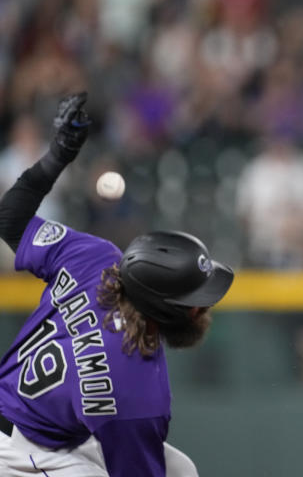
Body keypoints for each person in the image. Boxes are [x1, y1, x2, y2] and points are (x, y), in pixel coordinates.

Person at [0, 93, 235, 476]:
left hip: (53, 425)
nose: (204, 308)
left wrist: (57, 156)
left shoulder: (95, 259)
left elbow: (10, 220)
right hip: (20, 452)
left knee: (182, 470)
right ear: (164, 308)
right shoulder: (137, 390)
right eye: (196, 300)